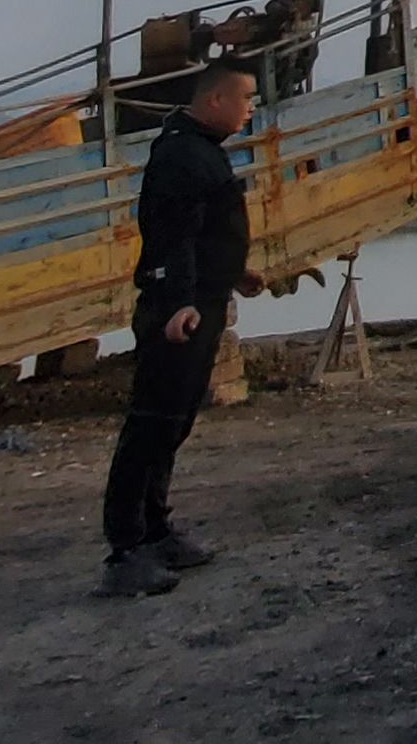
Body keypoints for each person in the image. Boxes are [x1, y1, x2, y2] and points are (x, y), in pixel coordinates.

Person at [97, 57, 265, 597]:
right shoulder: (181, 155)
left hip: (204, 301)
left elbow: (205, 230)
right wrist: (177, 303)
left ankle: (156, 529)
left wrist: (233, 272)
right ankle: (125, 549)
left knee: (174, 423)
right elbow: (170, 235)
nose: (251, 108)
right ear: (215, 101)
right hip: (180, 311)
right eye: (245, 98)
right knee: (151, 422)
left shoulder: (200, 151)